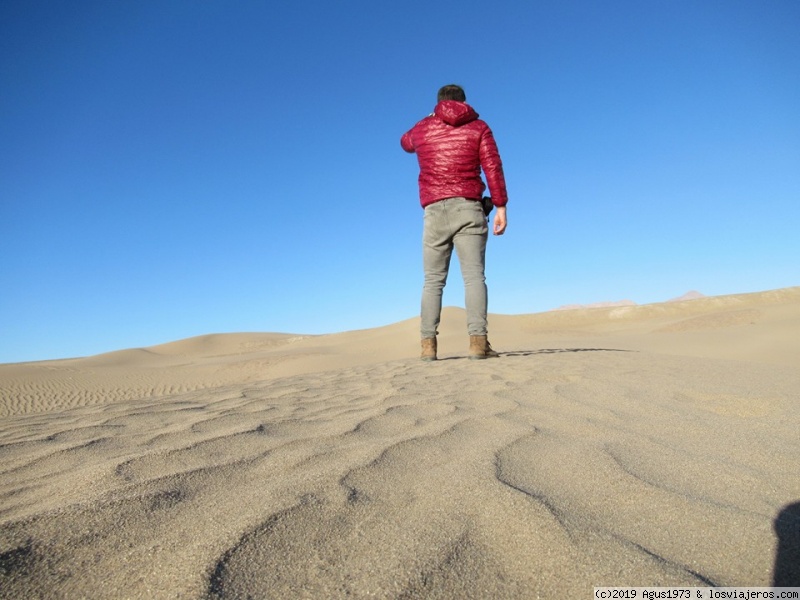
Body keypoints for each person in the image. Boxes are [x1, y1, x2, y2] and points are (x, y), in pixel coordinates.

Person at [401, 84, 508, 361]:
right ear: (464, 101)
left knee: (432, 282)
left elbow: (405, 143)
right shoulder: (479, 127)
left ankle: (428, 348)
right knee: (474, 277)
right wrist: (501, 205)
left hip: (434, 212)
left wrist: (428, 118)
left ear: (437, 104)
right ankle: (477, 344)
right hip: (468, 208)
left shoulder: (424, 128)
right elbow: (492, 166)